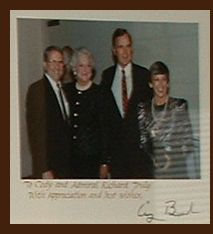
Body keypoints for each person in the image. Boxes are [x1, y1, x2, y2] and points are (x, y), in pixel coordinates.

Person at [100, 28, 153, 179]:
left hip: (141, 157)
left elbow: (151, 118)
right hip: (117, 159)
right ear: (114, 50)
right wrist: (105, 160)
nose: (125, 51)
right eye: (120, 47)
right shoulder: (107, 76)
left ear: (132, 49)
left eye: (128, 46)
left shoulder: (144, 76)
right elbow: (104, 121)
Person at [137, 61, 195, 179]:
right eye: (156, 80)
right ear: (150, 84)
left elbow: (188, 141)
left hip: (176, 170)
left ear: (168, 82)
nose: (160, 84)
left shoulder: (179, 106)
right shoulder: (143, 108)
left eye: (163, 79)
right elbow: (143, 142)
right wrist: (156, 159)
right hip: (153, 171)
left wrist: (171, 158)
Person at [26, 46, 72, 179]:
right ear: (45, 65)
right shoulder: (37, 90)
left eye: (60, 62)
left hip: (65, 164)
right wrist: (44, 168)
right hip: (49, 167)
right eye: (53, 62)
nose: (57, 66)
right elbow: (36, 134)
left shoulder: (64, 89)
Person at [64, 47, 106, 179]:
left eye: (88, 65)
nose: (85, 69)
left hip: (93, 161)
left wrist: (104, 162)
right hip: (70, 161)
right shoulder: (66, 91)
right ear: (74, 69)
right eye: (81, 65)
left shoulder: (100, 93)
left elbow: (106, 130)